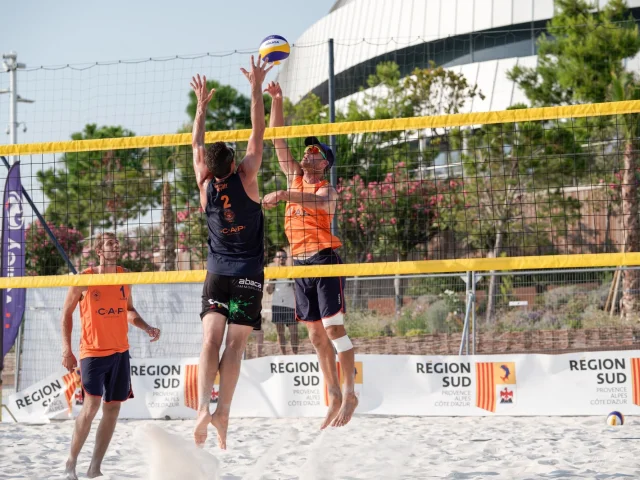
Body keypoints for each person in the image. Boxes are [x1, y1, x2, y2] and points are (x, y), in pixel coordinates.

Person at [263, 81, 358, 429]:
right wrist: (276, 99)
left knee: (334, 332)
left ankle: (350, 393)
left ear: (324, 163)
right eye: (307, 152)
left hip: (324, 262)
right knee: (315, 336)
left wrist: (285, 194)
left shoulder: (326, 189)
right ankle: (332, 394)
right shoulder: (295, 177)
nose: (307, 154)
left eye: (315, 152)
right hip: (299, 265)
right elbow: (277, 139)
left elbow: (318, 204)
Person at [190, 55, 272, 449]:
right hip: (248, 277)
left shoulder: (204, 186)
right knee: (235, 345)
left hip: (218, 274)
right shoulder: (248, 177)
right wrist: (255, 88)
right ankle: (223, 412)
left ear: (208, 166)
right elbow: (259, 129)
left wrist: (201, 108)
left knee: (209, 342)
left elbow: (195, 144)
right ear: (235, 162)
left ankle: (205, 408)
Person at [61, 232, 161, 480]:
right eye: (109, 243)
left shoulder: (124, 276)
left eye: (117, 242)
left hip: (120, 351)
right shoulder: (84, 279)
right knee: (91, 406)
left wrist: (146, 326)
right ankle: (70, 463)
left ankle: (94, 467)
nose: (115, 245)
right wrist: (66, 349)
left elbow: (128, 310)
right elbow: (66, 314)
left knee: (113, 408)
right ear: (99, 251)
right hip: (92, 353)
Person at [265, 248, 299, 355]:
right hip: (277, 304)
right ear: (275, 259)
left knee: (294, 332)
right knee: (280, 333)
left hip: (290, 305)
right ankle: (283, 356)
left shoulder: (291, 272)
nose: (281, 259)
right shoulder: (272, 272)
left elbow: (296, 289)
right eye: (279, 257)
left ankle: (295, 355)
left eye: (284, 257)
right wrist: (271, 281)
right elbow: (269, 291)